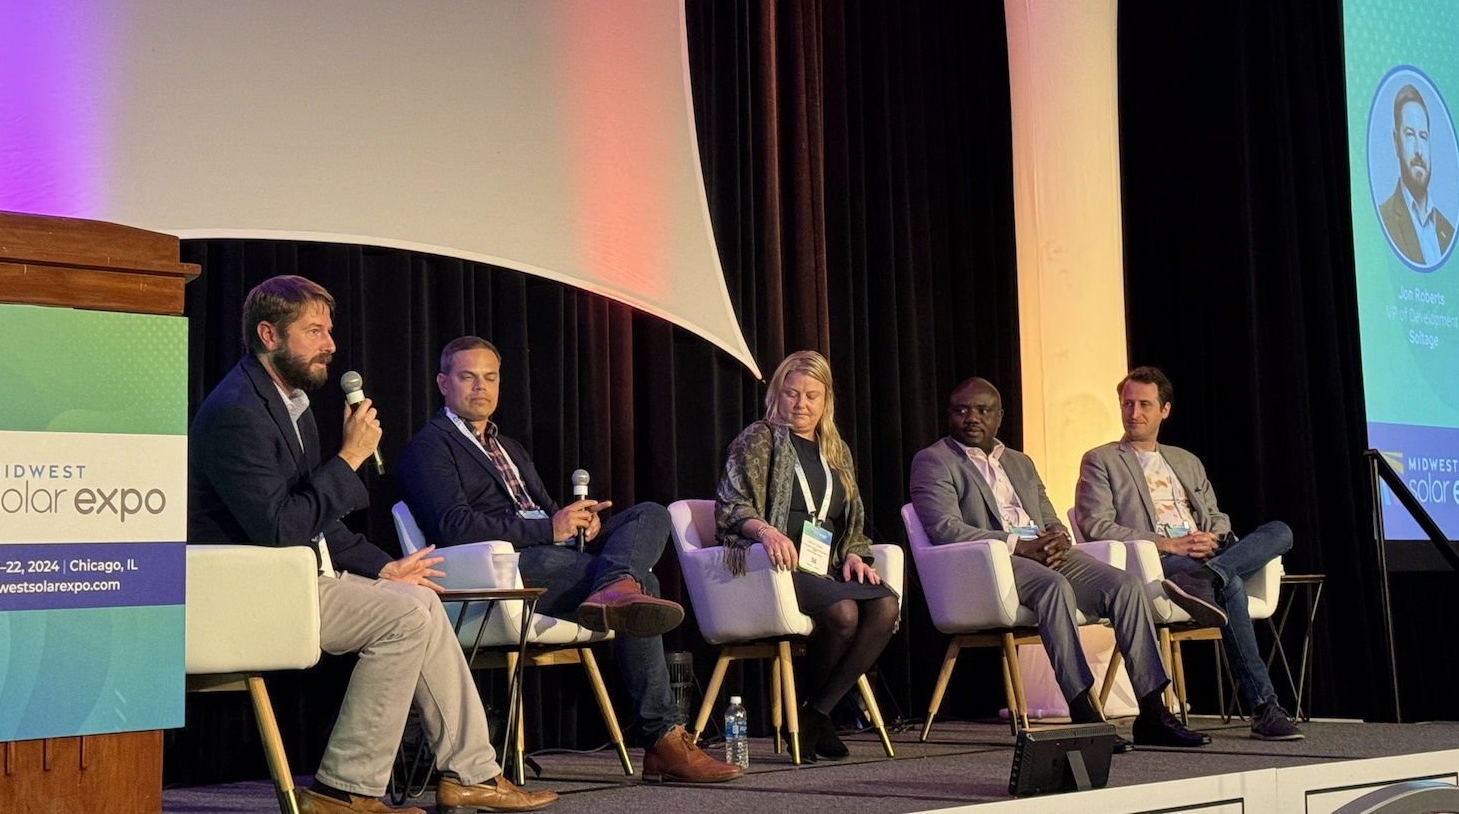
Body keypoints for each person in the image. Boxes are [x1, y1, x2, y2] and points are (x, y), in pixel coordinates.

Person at [189, 277, 558, 814]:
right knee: (404, 618)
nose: (330, 344)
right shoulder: (236, 412)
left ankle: (472, 774)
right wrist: (350, 458)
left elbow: (318, 519)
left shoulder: (289, 404)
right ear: (269, 335)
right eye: (314, 331)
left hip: (294, 576)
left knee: (420, 600)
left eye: (329, 331)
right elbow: (280, 527)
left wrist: (385, 568)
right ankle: (344, 791)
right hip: (250, 591)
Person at [398, 336, 740, 784]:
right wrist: (550, 529)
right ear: (444, 383)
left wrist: (580, 524)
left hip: (553, 553)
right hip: (504, 568)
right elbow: (453, 527)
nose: (481, 387)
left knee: (651, 513)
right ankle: (663, 740)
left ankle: (616, 584)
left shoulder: (510, 448)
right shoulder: (430, 446)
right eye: (468, 377)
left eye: (490, 377)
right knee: (646, 588)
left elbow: (545, 511)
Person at [910, 377, 1209, 749]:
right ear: (949, 414)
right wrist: (1019, 545)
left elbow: (1048, 514)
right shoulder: (933, 460)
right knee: (1054, 588)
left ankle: (1152, 712)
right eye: (962, 410)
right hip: (993, 561)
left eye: (983, 410)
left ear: (999, 416)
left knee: (1126, 586)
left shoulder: (1019, 461)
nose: (972, 417)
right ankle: (1083, 712)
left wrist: (1057, 537)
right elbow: (944, 528)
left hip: (1044, 553)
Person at [1074, 366, 1302, 741]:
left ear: (1165, 410)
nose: (1134, 413)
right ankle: (1264, 707)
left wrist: (1213, 537)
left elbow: (1216, 515)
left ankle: (1208, 576)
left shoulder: (1185, 460)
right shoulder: (1102, 459)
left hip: (1206, 556)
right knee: (1232, 587)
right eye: (1128, 404)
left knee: (1281, 531)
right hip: (1162, 560)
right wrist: (1165, 543)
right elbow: (1094, 525)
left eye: (1144, 404)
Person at [715, 350, 900, 762]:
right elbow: (732, 505)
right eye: (792, 393)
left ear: (826, 400)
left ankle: (815, 712)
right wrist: (766, 531)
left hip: (824, 568)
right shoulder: (759, 438)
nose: (801, 404)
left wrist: (854, 555)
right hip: (775, 568)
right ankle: (818, 715)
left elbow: (851, 522)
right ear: (776, 395)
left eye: (811, 396)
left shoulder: (837, 450)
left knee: (886, 605)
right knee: (844, 614)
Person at [1379, 83, 1454, 266]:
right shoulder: (1384, 219)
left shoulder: (1448, 231)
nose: (1419, 150)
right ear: (1396, 142)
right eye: (1410, 135)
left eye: (1423, 137)